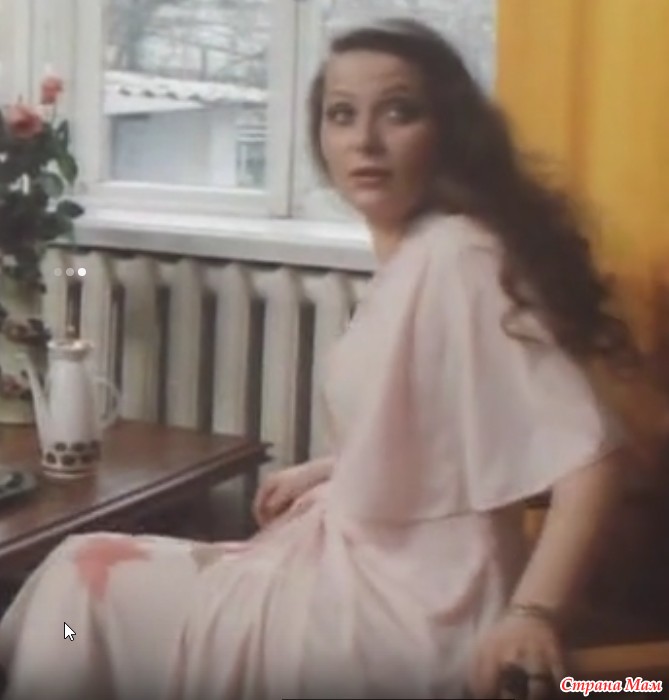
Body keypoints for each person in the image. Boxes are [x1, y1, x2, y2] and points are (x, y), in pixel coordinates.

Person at [0, 17, 639, 700]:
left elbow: (592, 459)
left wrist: (531, 615)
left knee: (80, 589)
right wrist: (334, 468)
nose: (365, 140)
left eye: (399, 112)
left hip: (402, 613)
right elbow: (449, 434)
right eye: (342, 115)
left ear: (449, 132)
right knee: (75, 582)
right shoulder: (421, 254)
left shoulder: (459, 259)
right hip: (369, 571)